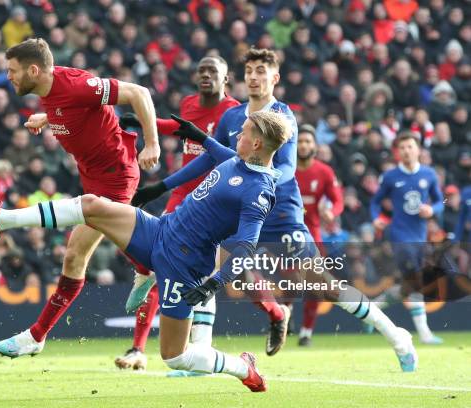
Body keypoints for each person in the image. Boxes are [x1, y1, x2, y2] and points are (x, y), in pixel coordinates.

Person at [135, 48, 418, 372]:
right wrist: (163, 186)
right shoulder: (232, 116)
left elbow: (287, 167)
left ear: (275, 77)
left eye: (261, 71)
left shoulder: (282, 115)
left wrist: (259, 180)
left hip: (280, 212)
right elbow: (210, 157)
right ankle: (199, 357)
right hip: (237, 213)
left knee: (322, 282)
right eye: (250, 70)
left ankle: (397, 336)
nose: (254, 77)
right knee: (209, 269)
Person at [0, 110, 292, 392]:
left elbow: (246, 247)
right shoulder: (237, 159)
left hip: (184, 265)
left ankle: (243, 368)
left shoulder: (259, 192)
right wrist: (155, 127)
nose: (238, 134)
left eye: (245, 132)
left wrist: (214, 283)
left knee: (176, 356)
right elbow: (207, 145)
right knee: (92, 205)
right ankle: (0, 219)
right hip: (161, 232)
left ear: (257, 145)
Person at [0, 38, 160, 353]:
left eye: (12, 70)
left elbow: (138, 92)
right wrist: (48, 118)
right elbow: (72, 109)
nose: (8, 77)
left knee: (76, 254)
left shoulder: (77, 85)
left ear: (33, 69)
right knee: (78, 254)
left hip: (117, 176)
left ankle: (35, 336)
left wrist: (152, 143)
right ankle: (146, 267)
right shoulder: (48, 89)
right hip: (93, 179)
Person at [114, 55, 241, 371]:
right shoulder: (188, 104)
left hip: (216, 197)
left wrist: (149, 124)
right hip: (186, 194)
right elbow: (182, 132)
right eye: (201, 70)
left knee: (221, 269)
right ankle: (138, 348)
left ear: (226, 78)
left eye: (213, 70)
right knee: (162, 260)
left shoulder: (234, 112)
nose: (206, 75)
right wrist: (147, 124)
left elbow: (220, 154)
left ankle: (274, 314)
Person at [371, 132, 445, 345]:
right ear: (398, 152)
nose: (406, 151)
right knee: (416, 280)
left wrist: (432, 209)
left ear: (418, 149)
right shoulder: (391, 177)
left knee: (408, 286)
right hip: (399, 235)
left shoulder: (429, 174)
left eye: (410, 146)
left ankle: (372, 309)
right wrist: (377, 218)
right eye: (402, 147)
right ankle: (425, 334)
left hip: (420, 236)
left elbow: (443, 201)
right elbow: (375, 202)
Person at [295, 124, 343, 346]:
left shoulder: (324, 172)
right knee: (289, 282)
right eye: (300, 141)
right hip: (286, 233)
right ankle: (282, 322)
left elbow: (338, 200)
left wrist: (332, 213)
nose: (304, 145)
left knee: (315, 285)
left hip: (312, 234)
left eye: (308, 141)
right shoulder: (285, 169)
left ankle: (306, 332)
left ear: (314, 145)